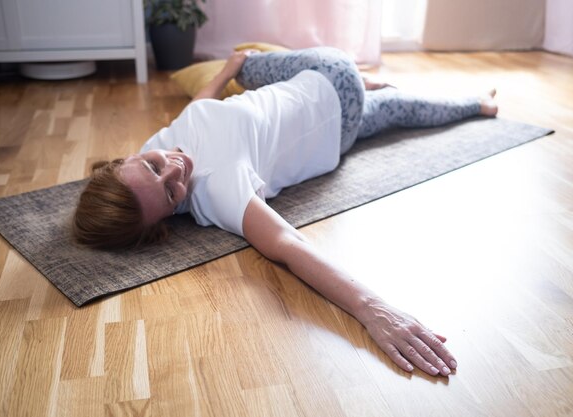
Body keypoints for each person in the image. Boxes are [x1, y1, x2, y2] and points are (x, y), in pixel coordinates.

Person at [74, 47, 498, 377]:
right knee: (254, 65)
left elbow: (193, 111)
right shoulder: (220, 192)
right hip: (332, 82)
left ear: (125, 159)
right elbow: (287, 244)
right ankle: (376, 84)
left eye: (152, 165)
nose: (175, 168)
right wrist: (373, 309)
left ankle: (476, 103)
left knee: (405, 111)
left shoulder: (159, 142)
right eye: (171, 193)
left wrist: (223, 73)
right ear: (165, 221)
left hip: (337, 126)